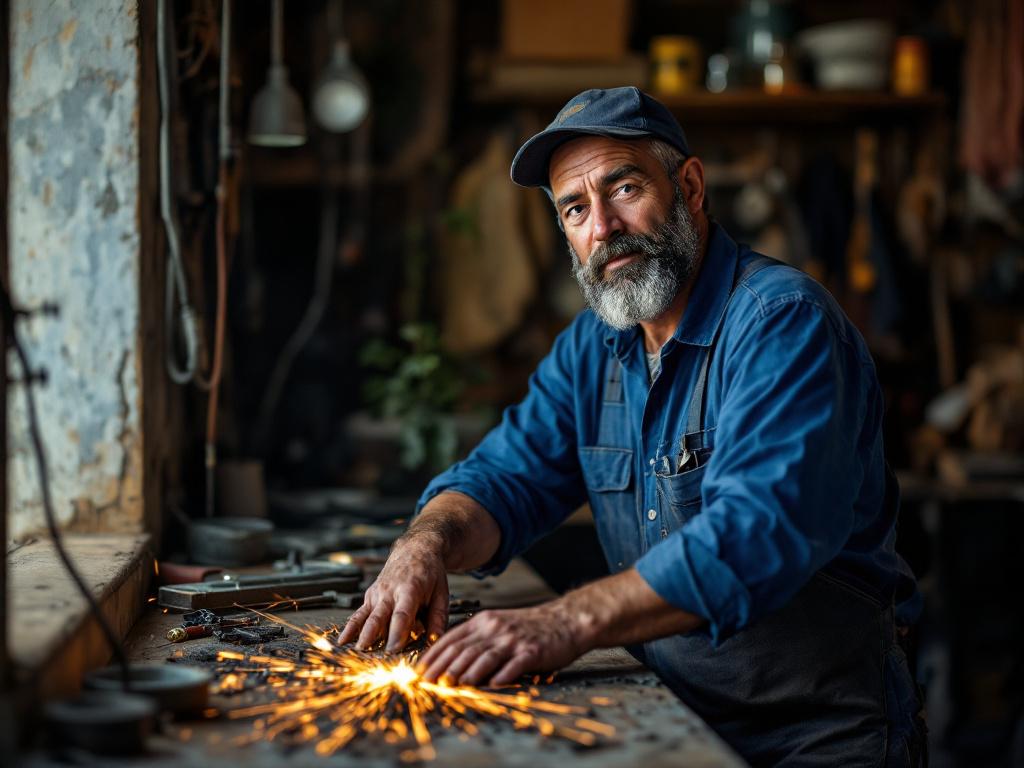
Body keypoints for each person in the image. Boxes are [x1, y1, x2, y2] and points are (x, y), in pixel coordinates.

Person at [339, 87, 925, 766]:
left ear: (691, 187)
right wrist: (425, 543)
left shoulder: (781, 323)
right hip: (673, 718)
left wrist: (566, 621)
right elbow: (503, 479)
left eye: (623, 187)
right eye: (576, 209)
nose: (604, 228)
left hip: (815, 735)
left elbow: (757, 533)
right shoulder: (595, 346)